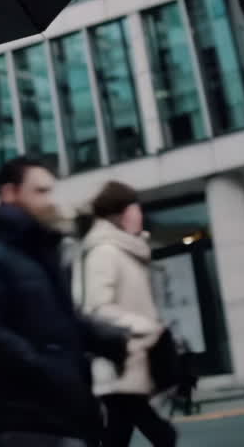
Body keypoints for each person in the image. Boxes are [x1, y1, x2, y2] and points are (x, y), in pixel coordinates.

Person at [0, 158, 128, 447]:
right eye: (40, 191)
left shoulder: (44, 254)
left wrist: (114, 341)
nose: (50, 200)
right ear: (10, 193)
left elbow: (61, 323)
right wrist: (51, 370)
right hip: (19, 420)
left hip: (62, 414)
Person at [79, 181, 177, 447]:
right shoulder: (104, 252)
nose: (140, 215)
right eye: (136, 209)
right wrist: (149, 327)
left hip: (132, 360)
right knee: (162, 435)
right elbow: (98, 308)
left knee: (118, 435)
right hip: (119, 361)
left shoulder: (126, 250)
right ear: (120, 213)